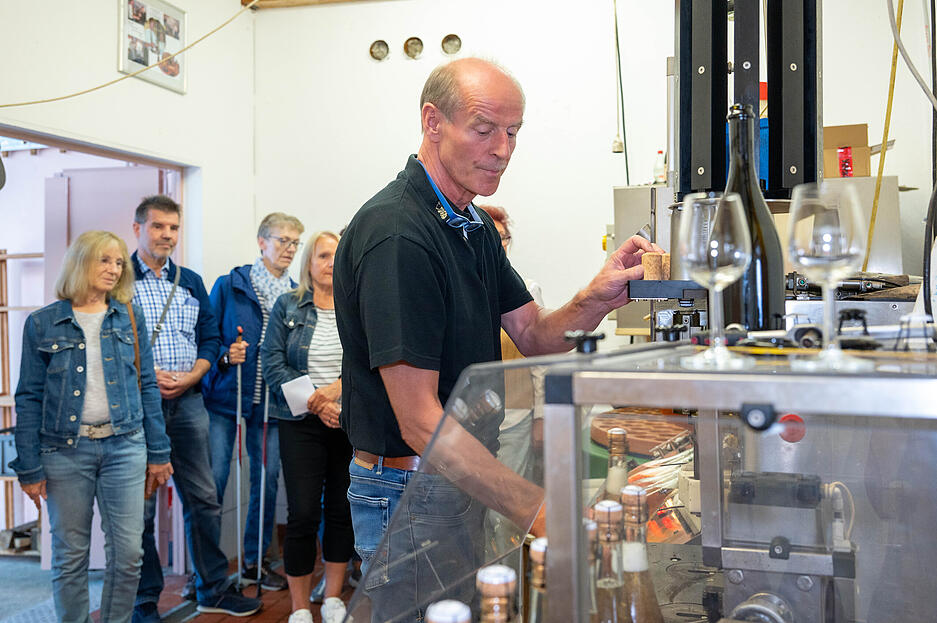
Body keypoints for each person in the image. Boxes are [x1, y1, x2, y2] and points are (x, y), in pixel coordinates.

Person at [333, 57, 661, 620]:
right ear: (432, 122)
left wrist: (601, 296)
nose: (503, 149)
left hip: (459, 477)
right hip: (407, 491)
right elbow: (417, 418)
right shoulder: (398, 235)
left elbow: (534, 334)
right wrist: (536, 506)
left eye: (513, 133)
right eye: (484, 130)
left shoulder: (473, 227)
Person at [11, 231, 173, 623]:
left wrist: (159, 452)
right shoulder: (42, 323)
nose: (114, 269)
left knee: (129, 554)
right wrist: (28, 467)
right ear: (81, 262)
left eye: (119, 262)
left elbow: (147, 385)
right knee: (70, 556)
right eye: (105, 260)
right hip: (64, 452)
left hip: (126, 446)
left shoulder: (129, 316)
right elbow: (28, 397)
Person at [129, 196, 262, 621]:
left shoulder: (190, 281)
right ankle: (145, 601)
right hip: (139, 406)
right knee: (141, 509)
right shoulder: (118, 280)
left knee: (204, 498)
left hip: (189, 402)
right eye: (157, 227)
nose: (166, 235)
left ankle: (211, 589)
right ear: (138, 229)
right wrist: (148, 378)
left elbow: (208, 336)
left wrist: (193, 375)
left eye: (173, 228)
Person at [202, 212, 305, 592]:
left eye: (295, 243)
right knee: (213, 481)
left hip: (272, 404)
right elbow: (208, 340)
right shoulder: (230, 285)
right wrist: (228, 355)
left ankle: (254, 562)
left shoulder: (297, 294)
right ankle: (207, 572)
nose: (289, 249)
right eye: (282, 241)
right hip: (227, 396)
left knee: (267, 481)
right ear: (261, 242)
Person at [262, 231, 354, 623]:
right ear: (309, 263)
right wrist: (317, 403)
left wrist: (336, 393)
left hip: (348, 420)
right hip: (300, 422)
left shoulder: (357, 306)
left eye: (336, 255)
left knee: (341, 508)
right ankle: (299, 605)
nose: (330, 262)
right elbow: (272, 364)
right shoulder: (287, 305)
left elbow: (367, 363)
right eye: (322, 255)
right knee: (301, 513)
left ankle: (332, 597)